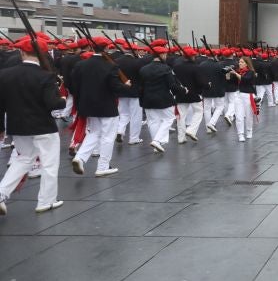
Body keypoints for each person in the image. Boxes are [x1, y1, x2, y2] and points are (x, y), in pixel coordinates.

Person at [0, 37, 67, 215]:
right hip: (43, 126)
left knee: (22, 159)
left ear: (22, 53)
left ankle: (1, 193)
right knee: (49, 163)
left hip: (17, 126)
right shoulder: (45, 76)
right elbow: (52, 104)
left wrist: (1, 128)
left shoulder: (5, 74)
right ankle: (46, 201)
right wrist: (62, 99)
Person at [69, 37, 133, 177]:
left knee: (93, 133)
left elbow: (74, 87)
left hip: (88, 106)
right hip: (107, 107)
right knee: (108, 137)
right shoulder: (110, 66)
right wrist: (126, 86)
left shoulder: (81, 65)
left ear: (92, 48)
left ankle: (80, 158)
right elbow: (115, 87)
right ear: (107, 48)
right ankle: (103, 166)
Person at [139, 46, 187, 153]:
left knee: (153, 122)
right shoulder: (166, 68)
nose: (166, 56)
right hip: (163, 99)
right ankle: (157, 141)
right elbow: (172, 85)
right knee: (169, 118)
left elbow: (141, 87)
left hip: (147, 99)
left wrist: (141, 101)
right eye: (165, 54)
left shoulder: (143, 69)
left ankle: (157, 144)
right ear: (162, 55)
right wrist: (183, 90)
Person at [228, 56, 258, 142]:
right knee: (239, 116)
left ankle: (249, 131)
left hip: (248, 96)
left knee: (249, 116)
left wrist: (235, 74)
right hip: (238, 95)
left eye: (242, 62)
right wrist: (228, 73)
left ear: (246, 64)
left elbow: (245, 80)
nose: (239, 63)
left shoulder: (251, 72)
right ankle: (240, 134)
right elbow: (230, 81)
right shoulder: (238, 72)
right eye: (239, 62)